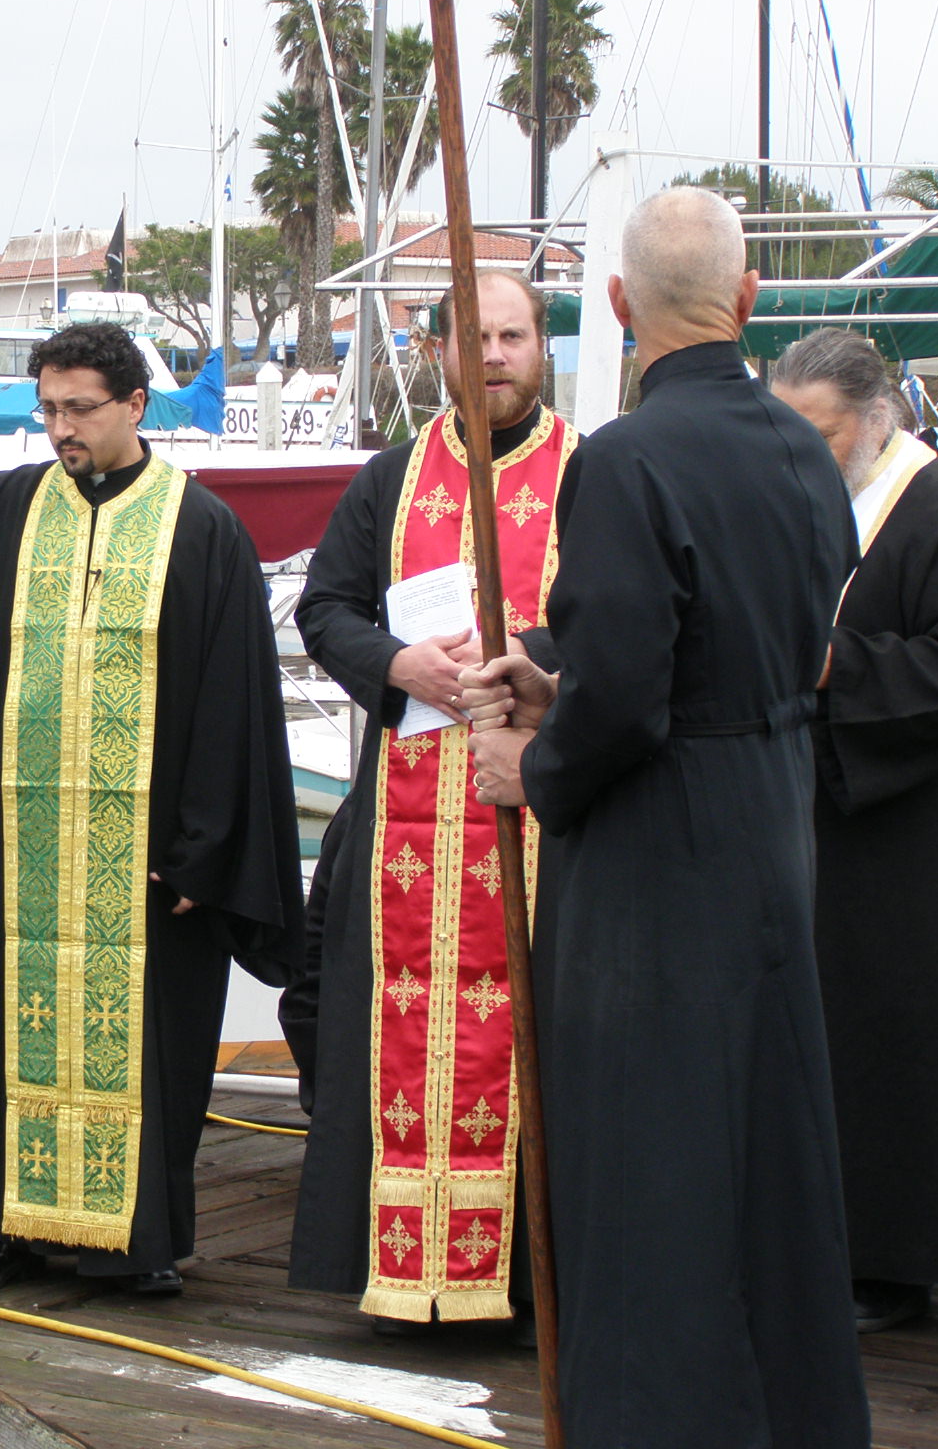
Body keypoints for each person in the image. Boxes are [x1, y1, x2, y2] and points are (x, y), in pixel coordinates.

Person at [460, 187, 869, 1444]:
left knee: (645, 1155)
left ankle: (654, 1416)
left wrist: (535, 765)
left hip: (653, 849)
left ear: (621, 307)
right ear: (747, 305)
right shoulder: (805, 452)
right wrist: (568, 682)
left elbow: (632, 702)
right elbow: (771, 649)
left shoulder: (627, 459)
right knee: (766, 1145)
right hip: (769, 823)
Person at [0, 322, 305, 1296]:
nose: (59, 430)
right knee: (6, 1033)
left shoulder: (200, 529)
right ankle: (4, 1226)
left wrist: (200, 851)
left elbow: (232, 707)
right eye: (46, 410)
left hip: (146, 864)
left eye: (78, 409)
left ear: (134, 406)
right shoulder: (5, 508)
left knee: (145, 1047)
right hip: (22, 852)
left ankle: (133, 1241)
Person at [283, 271, 575, 1331]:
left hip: (540, 822)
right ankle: (400, 1274)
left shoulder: (589, 474)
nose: (493, 355)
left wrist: (522, 659)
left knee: (539, 1042)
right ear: (439, 354)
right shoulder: (392, 479)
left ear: (540, 346)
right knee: (376, 1025)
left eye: (511, 335)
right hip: (403, 809)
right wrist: (398, 663)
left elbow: (625, 627)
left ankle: (522, 1282)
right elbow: (324, 606)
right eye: (474, 338)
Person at [772, 326, 938, 1333]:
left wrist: (830, 668)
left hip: (913, 828)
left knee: (894, 1042)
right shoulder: (811, 502)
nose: (802, 453)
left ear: (873, 420)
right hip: (818, 810)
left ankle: (888, 1266)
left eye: (817, 434)